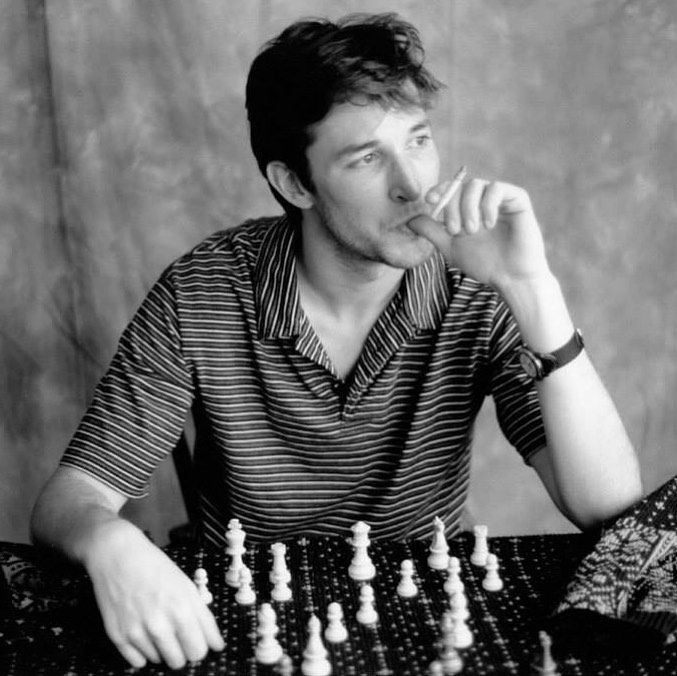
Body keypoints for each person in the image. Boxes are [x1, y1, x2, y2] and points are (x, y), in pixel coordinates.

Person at [30, 13, 642, 670]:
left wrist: (532, 287)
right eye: (366, 158)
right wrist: (110, 545)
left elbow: (607, 510)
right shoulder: (202, 288)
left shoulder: (475, 288)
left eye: (419, 139)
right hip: (247, 614)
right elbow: (71, 500)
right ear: (294, 182)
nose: (412, 185)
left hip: (422, 617)